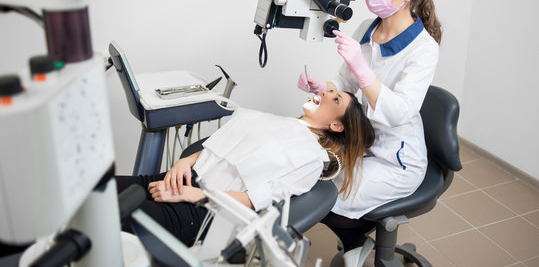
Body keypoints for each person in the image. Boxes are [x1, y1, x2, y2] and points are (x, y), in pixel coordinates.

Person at [298, 0, 441, 266]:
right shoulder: (367, 26)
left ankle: (355, 240)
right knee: (308, 175)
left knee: (328, 195)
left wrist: (364, 72)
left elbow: (399, 112)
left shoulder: (423, 50)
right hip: (362, 140)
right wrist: (323, 89)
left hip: (397, 159)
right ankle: (355, 238)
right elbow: (345, 86)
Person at [116, 89, 375, 247]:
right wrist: (185, 161)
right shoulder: (283, 123)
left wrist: (193, 195)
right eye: (329, 92)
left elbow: (254, 200)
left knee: (104, 214)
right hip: (179, 180)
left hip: (198, 209)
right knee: (95, 189)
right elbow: (220, 147)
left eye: (335, 99)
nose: (325, 93)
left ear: (337, 126)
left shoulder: (309, 158)